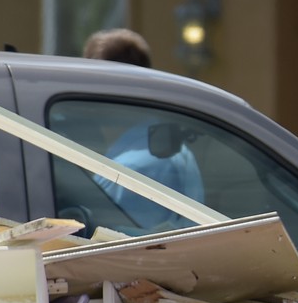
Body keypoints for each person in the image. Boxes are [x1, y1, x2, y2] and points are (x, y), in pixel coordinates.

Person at [81, 28, 205, 233]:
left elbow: (103, 241)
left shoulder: (136, 167)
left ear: (108, 89)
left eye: (88, 82)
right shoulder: (164, 148)